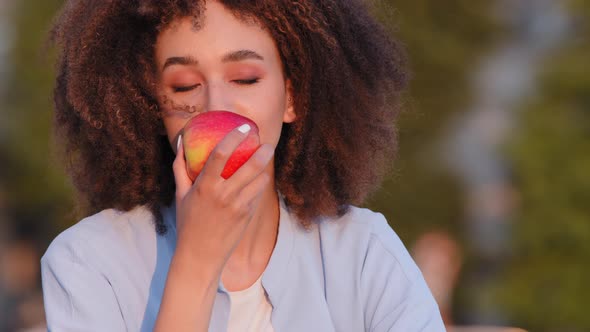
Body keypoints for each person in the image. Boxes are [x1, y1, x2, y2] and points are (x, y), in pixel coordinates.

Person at [40, 0, 445, 331]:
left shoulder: (365, 253)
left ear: (292, 98)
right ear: (152, 109)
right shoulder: (88, 263)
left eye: (245, 78)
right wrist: (196, 266)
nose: (216, 106)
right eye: (183, 86)